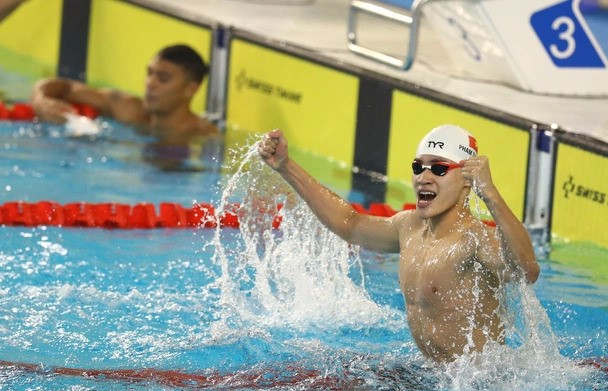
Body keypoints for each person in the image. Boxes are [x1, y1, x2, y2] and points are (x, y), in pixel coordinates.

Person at [258, 125, 540, 364]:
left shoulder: (475, 240)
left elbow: (526, 270)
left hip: (478, 385)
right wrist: (286, 166)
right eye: (418, 167)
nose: (423, 178)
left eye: (439, 169)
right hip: (432, 377)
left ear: (467, 180)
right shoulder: (409, 227)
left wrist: (490, 193)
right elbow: (350, 224)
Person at [30, 44, 220, 170]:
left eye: (162, 79)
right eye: (149, 74)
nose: (150, 84)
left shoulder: (202, 136)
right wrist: (41, 101)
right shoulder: (128, 108)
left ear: (190, 89)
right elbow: (65, 86)